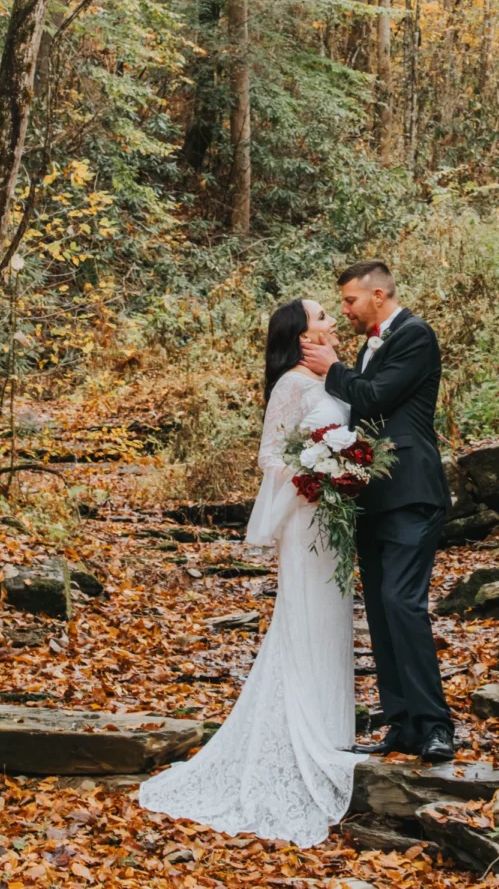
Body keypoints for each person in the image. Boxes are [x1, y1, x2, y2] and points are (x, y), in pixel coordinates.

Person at [139, 297, 357, 847]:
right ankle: (295, 731)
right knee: (304, 615)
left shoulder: (336, 377)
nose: (332, 321)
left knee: (333, 619)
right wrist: (315, 474)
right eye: (323, 316)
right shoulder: (290, 384)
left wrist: (347, 469)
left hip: (335, 520)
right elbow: (269, 456)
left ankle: (332, 728)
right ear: (300, 333)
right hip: (306, 516)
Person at [300, 259, 454, 763]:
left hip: (412, 491)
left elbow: (377, 396)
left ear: (380, 295)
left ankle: (436, 726)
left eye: (349, 300)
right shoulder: (369, 345)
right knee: (384, 613)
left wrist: (331, 370)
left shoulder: (414, 335)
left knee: (403, 603)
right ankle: (402, 724)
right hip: (369, 495)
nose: (344, 309)